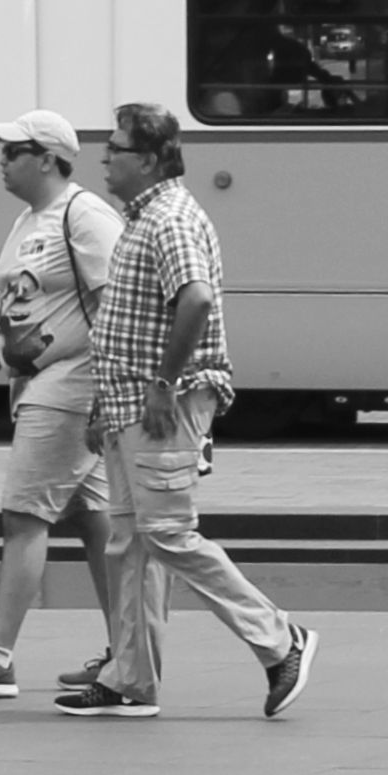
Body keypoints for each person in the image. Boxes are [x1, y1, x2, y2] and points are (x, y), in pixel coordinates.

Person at [62, 101, 316, 722]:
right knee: (130, 545)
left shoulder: (170, 218)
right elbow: (132, 324)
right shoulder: (145, 216)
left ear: (147, 159)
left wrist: (161, 384)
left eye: (115, 150)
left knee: (166, 535)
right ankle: (131, 679)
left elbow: (196, 298)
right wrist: (107, 405)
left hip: (161, 407)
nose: (104, 159)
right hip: (131, 406)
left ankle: (280, 640)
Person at [0, 111, 128, 700]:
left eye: (14, 150)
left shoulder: (85, 214)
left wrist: (111, 389)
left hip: (71, 384)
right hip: (39, 384)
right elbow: (11, 304)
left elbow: (118, 305)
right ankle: (128, 653)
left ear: (47, 157)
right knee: (91, 521)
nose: (2, 159)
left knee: (23, 515)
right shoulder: (27, 220)